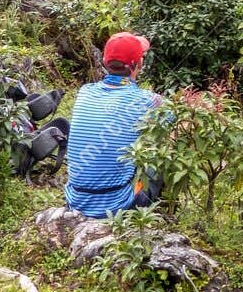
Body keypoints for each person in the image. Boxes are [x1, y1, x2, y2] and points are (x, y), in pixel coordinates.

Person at [64, 32, 167, 217]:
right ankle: (152, 216)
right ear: (138, 64)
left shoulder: (84, 92)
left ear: (105, 62)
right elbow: (179, 113)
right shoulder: (147, 100)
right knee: (160, 157)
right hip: (118, 204)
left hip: (75, 200)